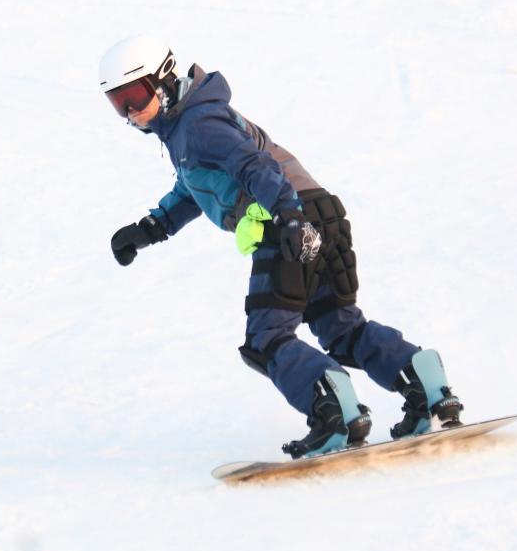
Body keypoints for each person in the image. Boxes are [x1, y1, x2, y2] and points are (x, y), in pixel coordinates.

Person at [100, 36, 464, 458]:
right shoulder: (190, 127)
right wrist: (149, 228)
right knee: (339, 325)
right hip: (321, 209)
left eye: (134, 96)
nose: (129, 112)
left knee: (266, 337)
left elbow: (253, 166)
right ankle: (427, 387)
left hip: (287, 217)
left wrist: (289, 217)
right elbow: (192, 190)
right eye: (117, 102)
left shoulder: (197, 125)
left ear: (162, 80)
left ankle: (335, 414)